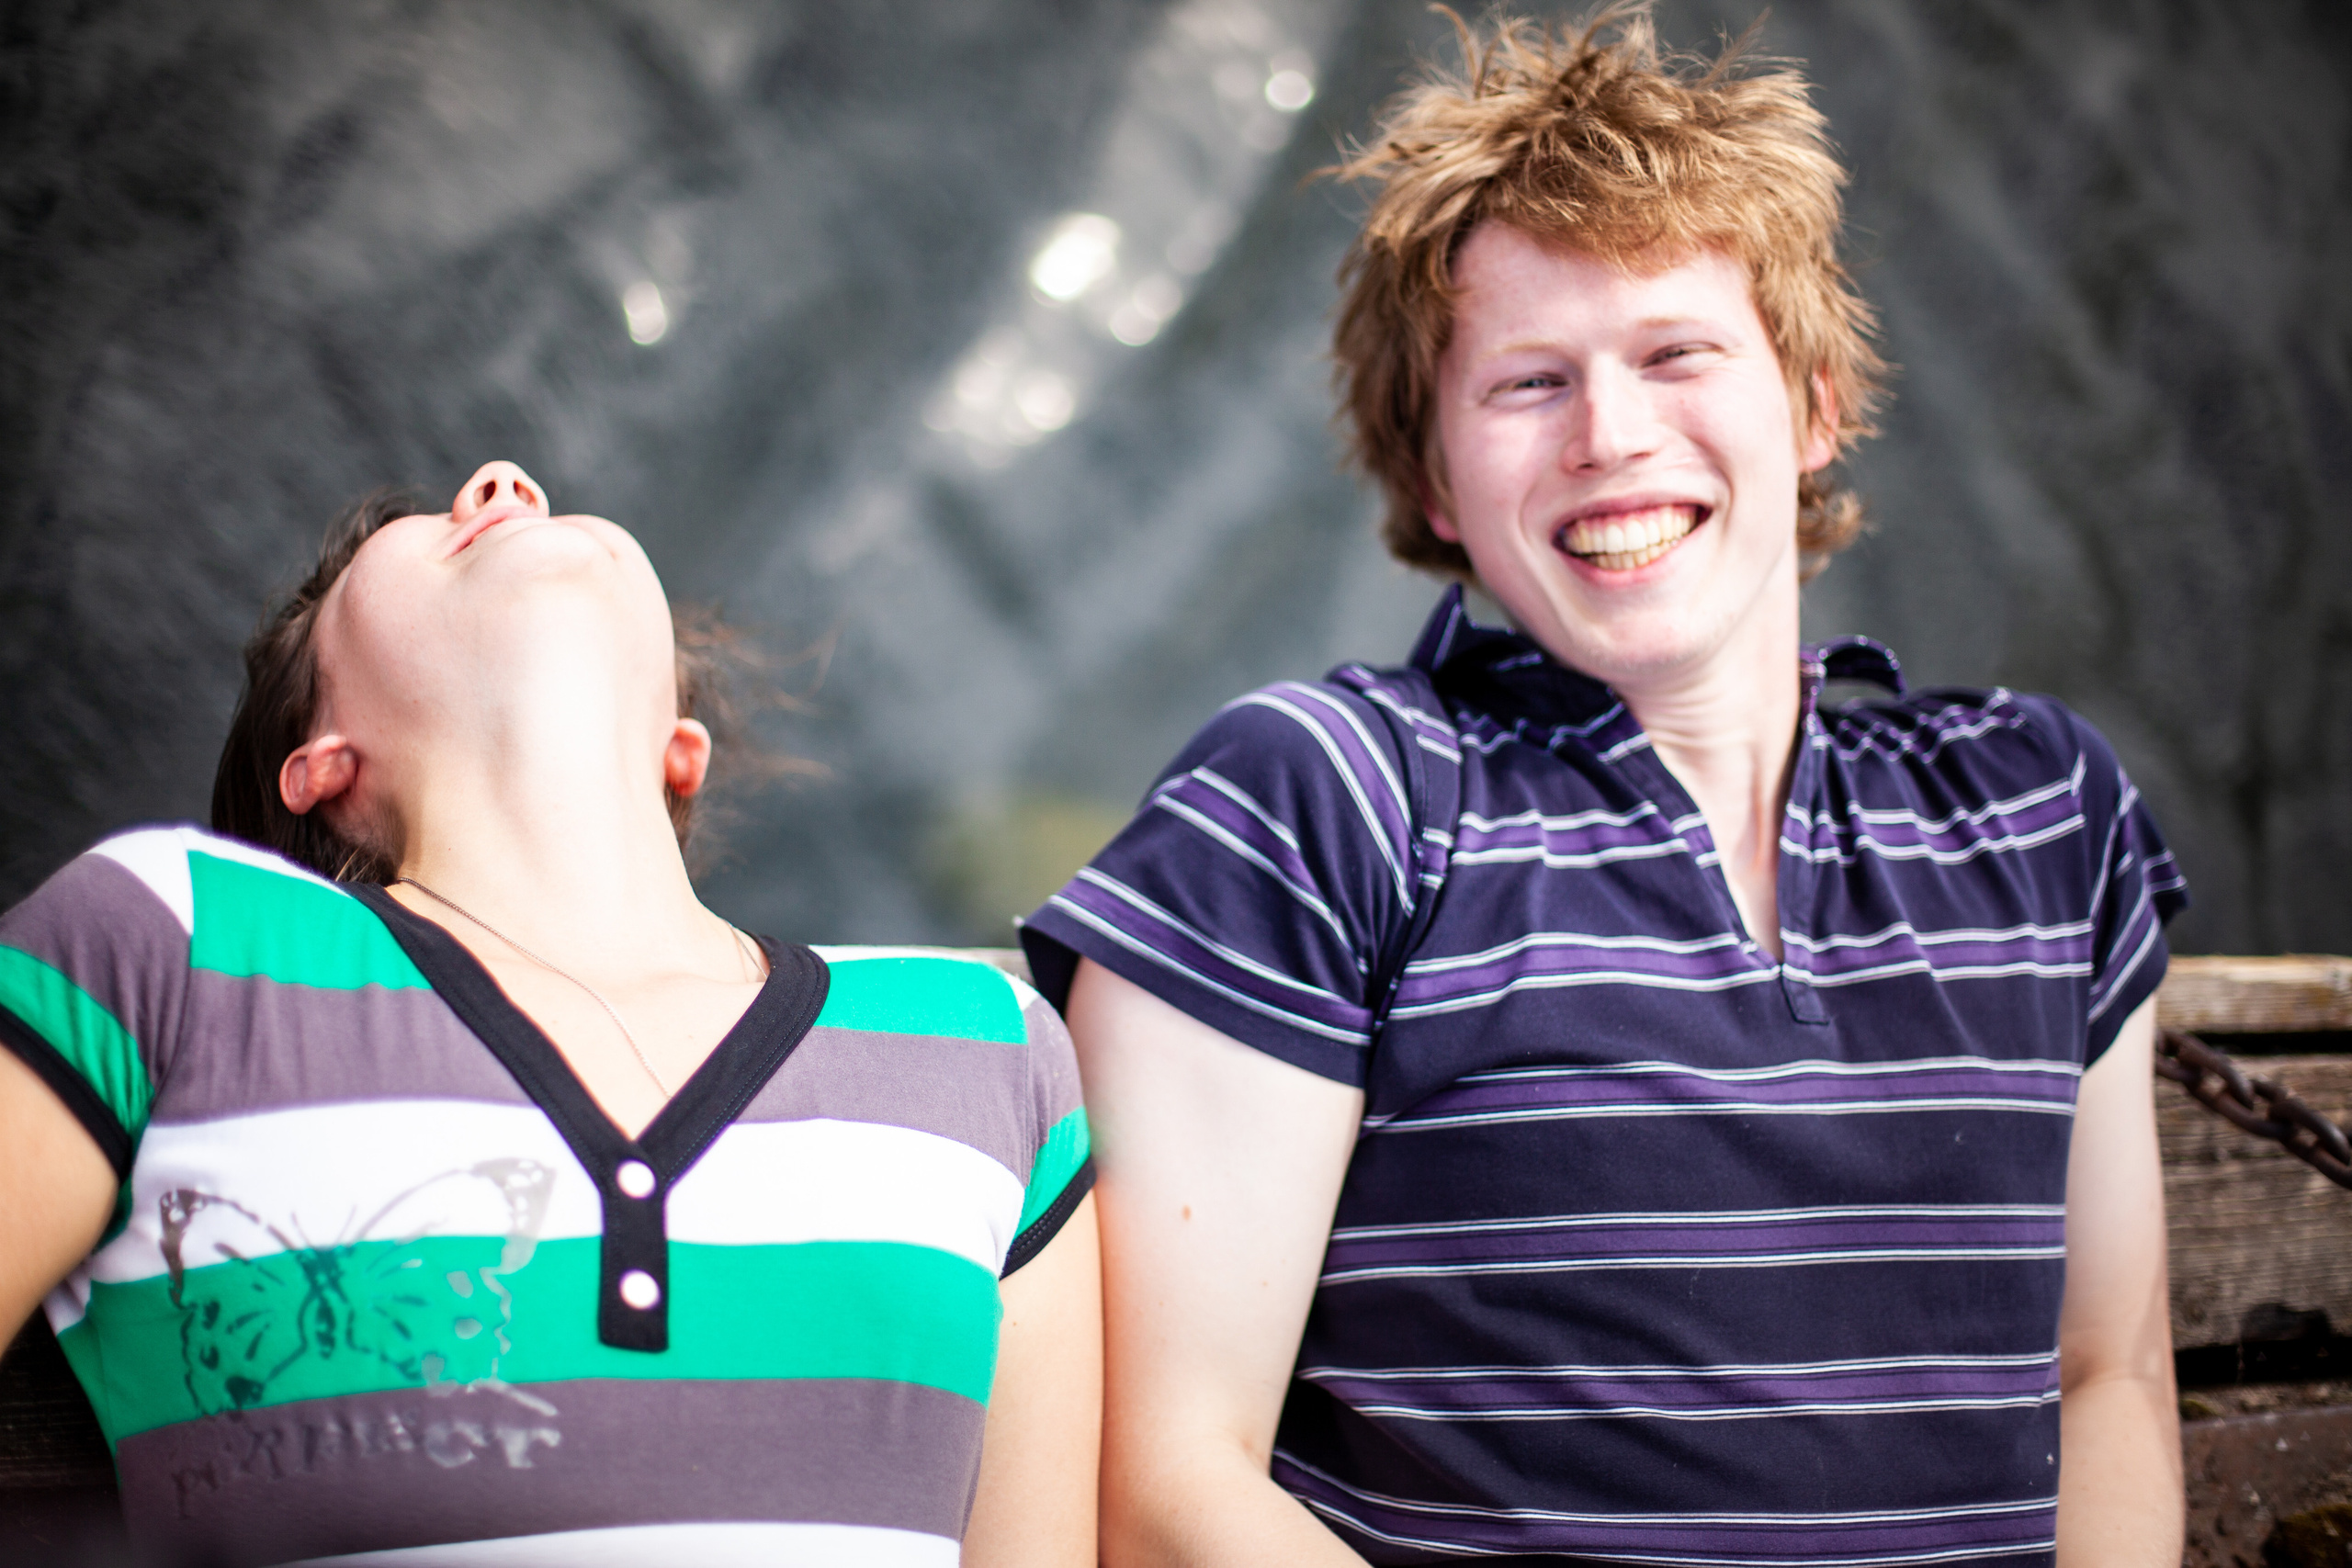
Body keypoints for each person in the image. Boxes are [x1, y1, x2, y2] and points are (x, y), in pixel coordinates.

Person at [1018, 8, 2185, 1565]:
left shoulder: (2040, 810)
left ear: (1817, 402)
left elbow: (2111, 1376)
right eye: (1528, 383)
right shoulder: (1323, 801)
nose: (1612, 436)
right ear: (1435, 477)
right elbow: (1163, 1483)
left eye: (1677, 353)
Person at [0, 461, 1100, 1566]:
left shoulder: (988, 1046)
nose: (503, 483)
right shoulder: (176, 941)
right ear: (322, 763)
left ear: (681, 752)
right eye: (410, 530)